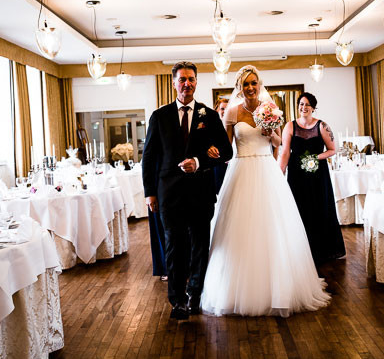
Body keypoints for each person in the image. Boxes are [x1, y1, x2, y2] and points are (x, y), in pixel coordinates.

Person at [200, 65, 331, 317]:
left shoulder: (268, 108)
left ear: (259, 85)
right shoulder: (232, 112)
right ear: (239, 86)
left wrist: (270, 132)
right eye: (246, 84)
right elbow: (227, 148)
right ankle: (237, 290)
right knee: (239, 229)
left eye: (254, 83)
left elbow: (279, 142)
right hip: (240, 169)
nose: (250, 87)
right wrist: (212, 151)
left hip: (265, 169)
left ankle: (277, 289)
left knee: (273, 228)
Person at [141, 62, 232, 320]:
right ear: (173, 83)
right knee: (174, 247)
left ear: (196, 82)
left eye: (191, 79)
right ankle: (177, 301)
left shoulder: (209, 116)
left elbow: (227, 152)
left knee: (200, 247)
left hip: (201, 193)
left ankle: (195, 295)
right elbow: (148, 157)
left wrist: (201, 161)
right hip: (169, 195)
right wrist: (150, 193)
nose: (187, 84)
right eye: (182, 79)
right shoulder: (159, 117)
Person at [278, 92, 346, 264]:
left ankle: (322, 249)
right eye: (301, 104)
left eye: (307, 104)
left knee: (320, 207)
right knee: (299, 208)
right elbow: (285, 152)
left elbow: (332, 149)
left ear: (314, 107)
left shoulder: (322, 126)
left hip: (318, 175)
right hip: (297, 175)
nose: (303, 107)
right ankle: (301, 249)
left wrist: (315, 158)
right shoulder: (290, 126)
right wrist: (280, 173)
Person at [212, 98, 230, 194]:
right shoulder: (212, 127)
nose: (225, 111)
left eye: (228, 109)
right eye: (222, 109)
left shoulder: (237, 127)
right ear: (217, 110)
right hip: (218, 165)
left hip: (234, 164)